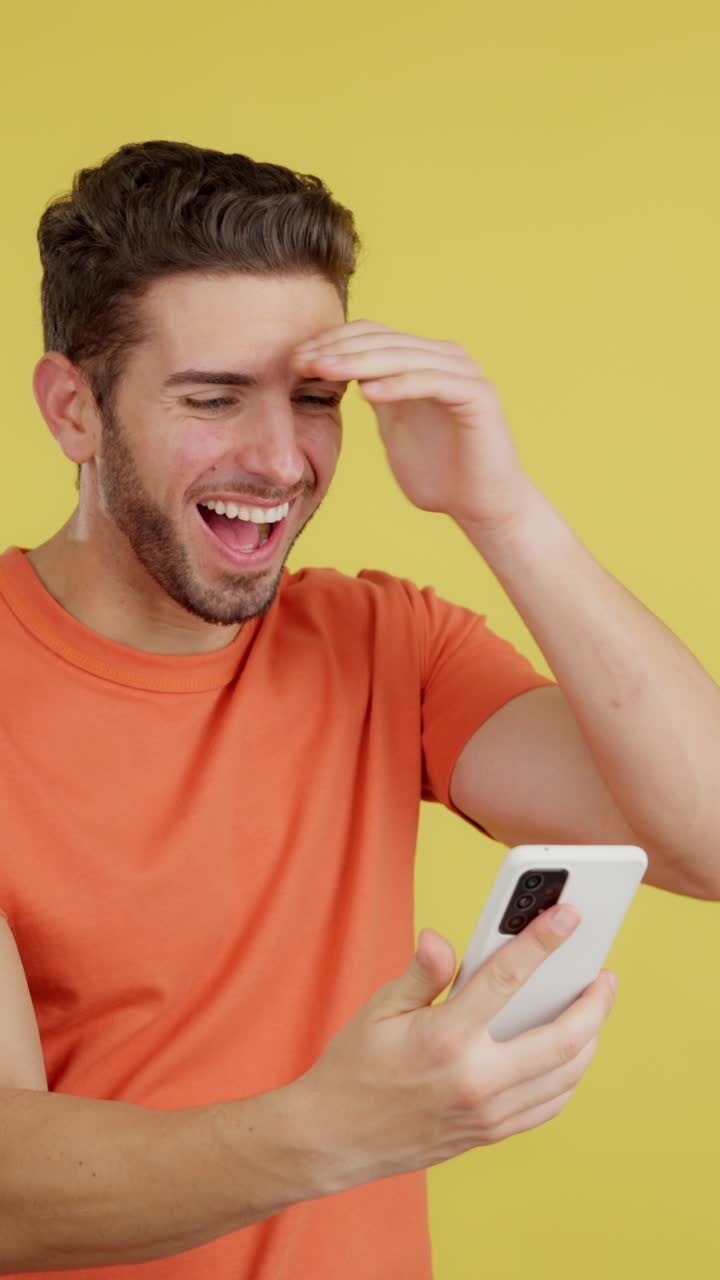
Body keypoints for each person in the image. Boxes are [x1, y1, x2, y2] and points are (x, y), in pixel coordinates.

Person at [1, 138, 718, 1279]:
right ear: (73, 409)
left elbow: (709, 836)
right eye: (214, 397)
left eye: (315, 400)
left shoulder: (384, 641)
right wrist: (336, 1132)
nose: (282, 459)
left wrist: (501, 507)